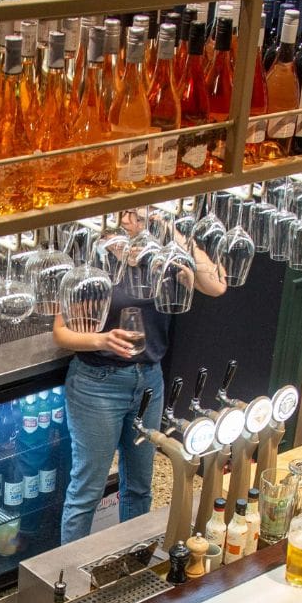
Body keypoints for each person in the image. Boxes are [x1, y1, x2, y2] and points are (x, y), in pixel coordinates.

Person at [52, 209, 227, 545]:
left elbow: (216, 284)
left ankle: (134, 557)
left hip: (149, 381)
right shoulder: (95, 263)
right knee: (87, 489)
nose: (131, 221)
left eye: (140, 214)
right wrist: (102, 340)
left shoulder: (161, 257)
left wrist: (173, 230)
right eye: (125, 215)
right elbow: (60, 333)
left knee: (139, 485)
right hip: (98, 384)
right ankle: (67, 573)